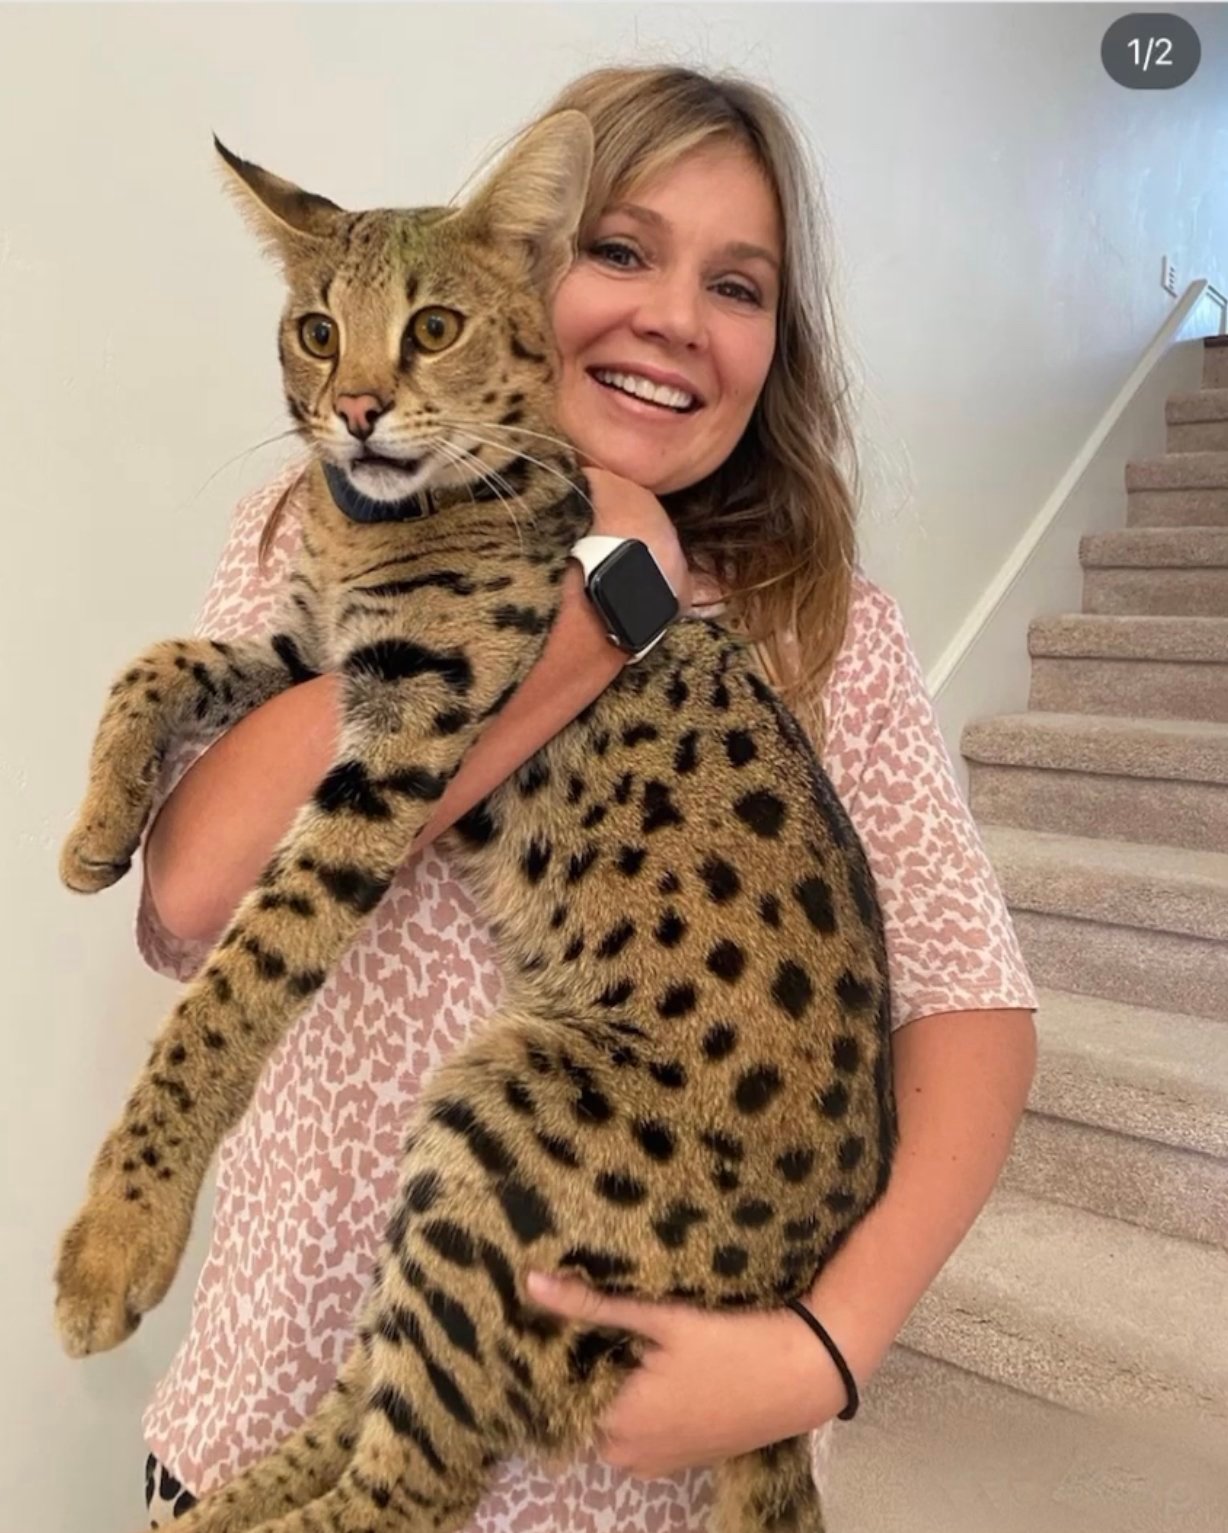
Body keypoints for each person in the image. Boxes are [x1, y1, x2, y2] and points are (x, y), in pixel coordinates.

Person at [135, 63, 1038, 1528]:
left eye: (737, 286)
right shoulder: (308, 527)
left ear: (775, 346)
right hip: (266, 1413)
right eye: (620, 250)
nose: (675, 316)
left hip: (627, 1476)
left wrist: (822, 1353)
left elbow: (974, 1009)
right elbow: (192, 888)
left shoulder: (824, 628)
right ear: (517, 271)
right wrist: (607, 597)